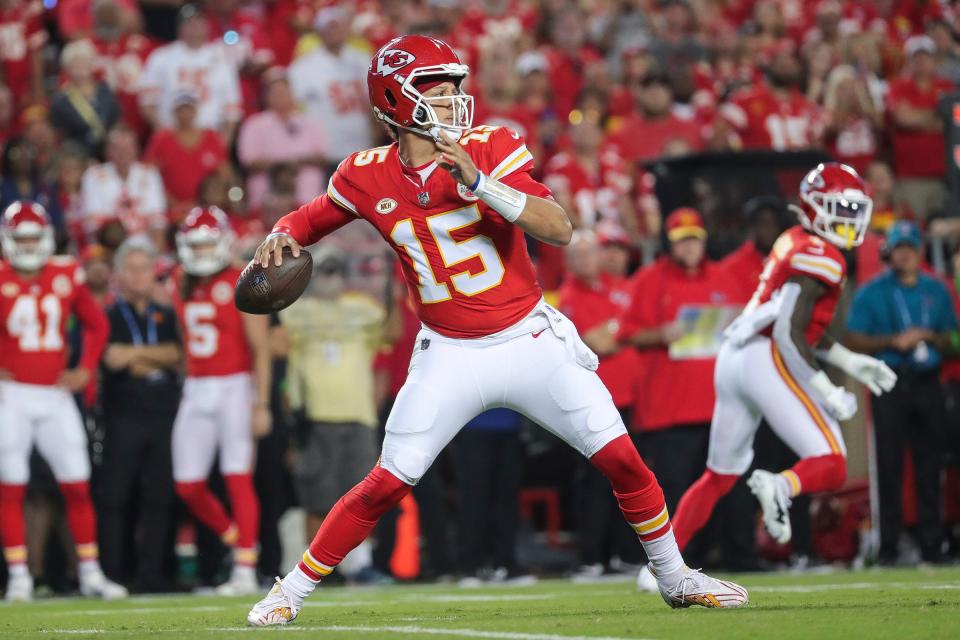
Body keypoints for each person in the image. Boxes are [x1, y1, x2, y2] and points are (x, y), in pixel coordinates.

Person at [247, 35, 746, 627]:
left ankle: (674, 575)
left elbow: (557, 228)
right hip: (450, 353)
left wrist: (482, 186)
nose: (455, 99)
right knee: (386, 482)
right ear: (394, 101)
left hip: (529, 338)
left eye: (456, 86)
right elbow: (306, 221)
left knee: (623, 461)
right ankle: (290, 592)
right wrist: (282, 231)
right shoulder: (365, 174)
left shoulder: (491, 147)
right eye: (436, 88)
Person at [657, 164, 897, 588]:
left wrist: (848, 361)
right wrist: (825, 388)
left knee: (720, 475)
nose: (849, 217)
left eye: (853, 208)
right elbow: (788, 331)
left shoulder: (795, 240)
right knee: (832, 464)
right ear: (813, 206)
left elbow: (798, 325)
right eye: (840, 207)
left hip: (736, 357)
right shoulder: (821, 255)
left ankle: (660, 564)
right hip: (764, 356)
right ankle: (780, 487)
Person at [0, 201, 126, 601]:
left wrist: (86, 368)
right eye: (21, 238)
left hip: (55, 394)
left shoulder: (66, 273)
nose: (28, 245)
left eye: (34, 237)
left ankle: (89, 572)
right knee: (11, 487)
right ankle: (19, 576)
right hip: (12, 395)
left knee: (76, 483)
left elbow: (97, 322)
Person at [276, 244, 395, 584]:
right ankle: (313, 573)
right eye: (323, 271)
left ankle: (360, 565)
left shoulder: (363, 308)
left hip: (358, 415)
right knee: (316, 498)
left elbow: (392, 333)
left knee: (365, 499)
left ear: (344, 276)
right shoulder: (294, 310)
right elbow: (276, 345)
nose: (329, 278)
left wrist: (394, 292)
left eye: (335, 271)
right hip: (313, 416)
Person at [168, 206, 272, 595]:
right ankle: (238, 539)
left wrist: (261, 403)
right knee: (188, 485)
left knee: (237, 477)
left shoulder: (243, 279)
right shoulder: (179, 279)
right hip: (196, 386)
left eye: (208, 243)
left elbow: (260, 347)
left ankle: (244, 569)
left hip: (234, 386)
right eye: (195, 244)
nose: (200, 252)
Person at [616, 208, 745, 517]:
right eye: (681, 241)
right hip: (669, 410)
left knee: (728, 487)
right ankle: (679, 560)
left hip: (719, 405)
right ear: (669, 244)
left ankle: (739, 557)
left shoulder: (724, 277)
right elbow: (626, 333)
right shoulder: (648, 280)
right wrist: (659, 334)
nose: (688, 248)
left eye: (694, 241)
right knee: (675, 487)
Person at [846, 221, 960, 564]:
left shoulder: (937, 290)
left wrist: (929, 336)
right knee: (889, 465)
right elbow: (853, 338)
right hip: (890, 380)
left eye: (911, 247)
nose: (906, 254)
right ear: (890, 253)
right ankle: (889, 547)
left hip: (928, 382)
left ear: (920, 252)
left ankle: (932, 545)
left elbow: (953, 339)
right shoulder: (872, 291)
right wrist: (893, 342)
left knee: (930, 465)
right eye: (900, 248)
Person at [99, 236, 182, 591]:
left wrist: (134, 355)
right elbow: (111, 359)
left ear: (153, 273)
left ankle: (154, 574)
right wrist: (152, 356)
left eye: (144, 268)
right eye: (130, 269)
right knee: (116, 495)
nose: (137, 276)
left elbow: (175, 356)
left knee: (161, 495)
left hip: (164, 412)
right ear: (119, 275)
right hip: (123, 413)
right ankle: (113, 573)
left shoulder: (164, 313)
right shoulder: (110, 313)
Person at [557, 230, 639, 577]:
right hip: (593, 401)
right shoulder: (569, 297)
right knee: (594, 483)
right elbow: (596, 342)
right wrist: (623, 329)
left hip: (629, 399)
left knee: (630, 479)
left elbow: (632, 327)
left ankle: (623, 554)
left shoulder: (619, 286)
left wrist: (617, 330)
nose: (588, 260)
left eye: (592, 253)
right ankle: (591, 557)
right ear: (569, 262)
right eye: (580, 255)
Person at [138, 3, 242, 142]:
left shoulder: (222, 59)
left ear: (207, 26)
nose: (195, 28)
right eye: (189, 23)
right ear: (180, 27)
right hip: (171, 134)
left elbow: (231, 110)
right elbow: (147, 103)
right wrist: (163, 134)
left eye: (199, 23)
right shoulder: (161, 57)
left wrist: (223, 142)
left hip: (209, 136)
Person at [288, 6, 373, 165]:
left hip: (363, 146)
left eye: (337, 26)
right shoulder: (303, 67)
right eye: (328, 27)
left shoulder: (363, 60)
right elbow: (293, 109)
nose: (333, 32)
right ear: (319, 32)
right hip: (326, 151)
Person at [237, 68, 328, 211]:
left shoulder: (310, 123)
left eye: (284, 91)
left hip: (307, 200)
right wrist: (283, 166)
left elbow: (323, 158)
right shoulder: (254, 125)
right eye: (275, 92)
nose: (280, 96)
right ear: (265, 96)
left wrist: (294, 162)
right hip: (266, 203)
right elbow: (249, 162)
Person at [886, 35, 954, 219]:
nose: (921, 62)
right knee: (912, 231)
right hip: (910, 178)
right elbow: (903, 118)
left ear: (934, 60)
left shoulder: (947, 86)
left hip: (946, 177)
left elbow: (951, 123)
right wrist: (936, 115)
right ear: (909, 61)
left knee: (947, 232)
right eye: (916, 57)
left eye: (926, 57)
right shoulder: (898, 87)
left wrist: (918, 115)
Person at [143, 89, 229, 222]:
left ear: (195, 110)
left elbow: (223, 176)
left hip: (207, 209)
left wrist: (206, 203)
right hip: (170, 211)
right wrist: (174, 204)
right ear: (174, 112)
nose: (185, 114)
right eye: (181, 110)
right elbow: (149, 177)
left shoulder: (212, 138)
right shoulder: (161, 139)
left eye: (189, 109)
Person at [79, 124, 167, 246]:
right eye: (117, 147)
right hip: (108, 245)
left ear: (137, 149)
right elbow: (93, 223)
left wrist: (156, 254)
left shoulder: (149, 173)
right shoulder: (93, 176)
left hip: (145, 246)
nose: (123, 152)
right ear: (107, 151)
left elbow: (157, 219)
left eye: (128, 146)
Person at [719, 196, 790, 300]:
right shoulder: (730, 267)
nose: (769, 230)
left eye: (773, 224)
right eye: (763, 224)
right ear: (752, 227)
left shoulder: (788, 262)